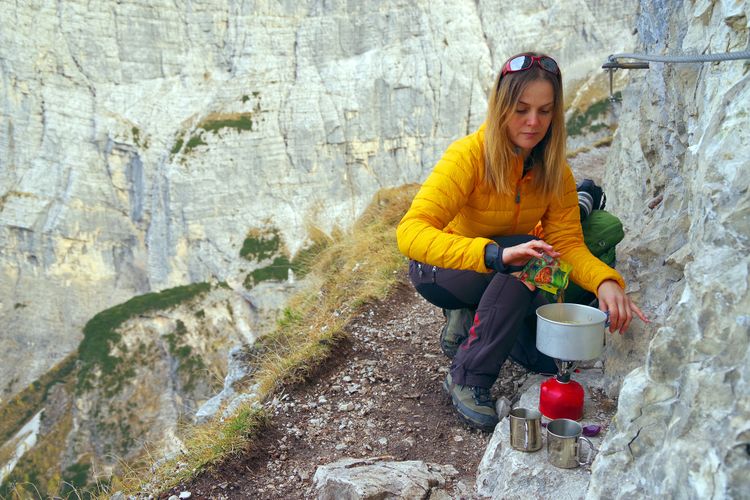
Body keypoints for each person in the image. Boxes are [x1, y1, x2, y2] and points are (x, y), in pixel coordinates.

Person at [396, 52, 649, 431]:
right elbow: (410, 232)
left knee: (544, 356)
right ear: (501, 107)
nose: (533, 123)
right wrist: (494, 253)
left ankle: (470, 313)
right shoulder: (468, 156)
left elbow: (568, 243)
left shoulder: (554, 171)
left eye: (545, 111)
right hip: (439, 269)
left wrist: (606, 280)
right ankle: (467, 376)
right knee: (528, 255)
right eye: (521, 109)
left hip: (497, 265)